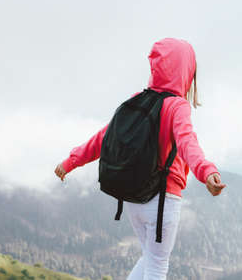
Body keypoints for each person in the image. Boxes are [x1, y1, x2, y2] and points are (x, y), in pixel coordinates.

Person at [54, 37, 226, 280]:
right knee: (157, 266)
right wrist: (207, 172)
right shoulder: (177, 106)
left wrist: (70, 162)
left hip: (134, 197)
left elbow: (103, 137)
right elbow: (188, 143)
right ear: (186, 71)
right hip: (163, 199)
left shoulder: (137, 99)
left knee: (149, 258)